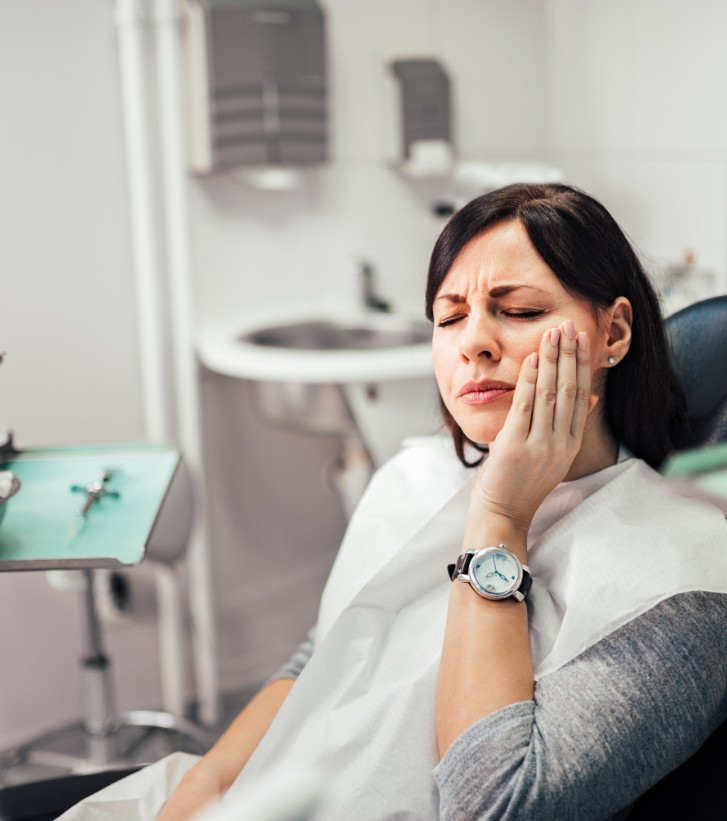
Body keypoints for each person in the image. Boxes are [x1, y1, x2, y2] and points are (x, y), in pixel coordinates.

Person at [68, 183, 727, 820]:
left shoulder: (681, 577)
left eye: (520, 311)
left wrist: (499, 519)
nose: (473, 341)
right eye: (449, 317)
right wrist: (204, 785)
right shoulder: (415, 476)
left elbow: (491, 804)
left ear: (612, 333)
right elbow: (326, 653)